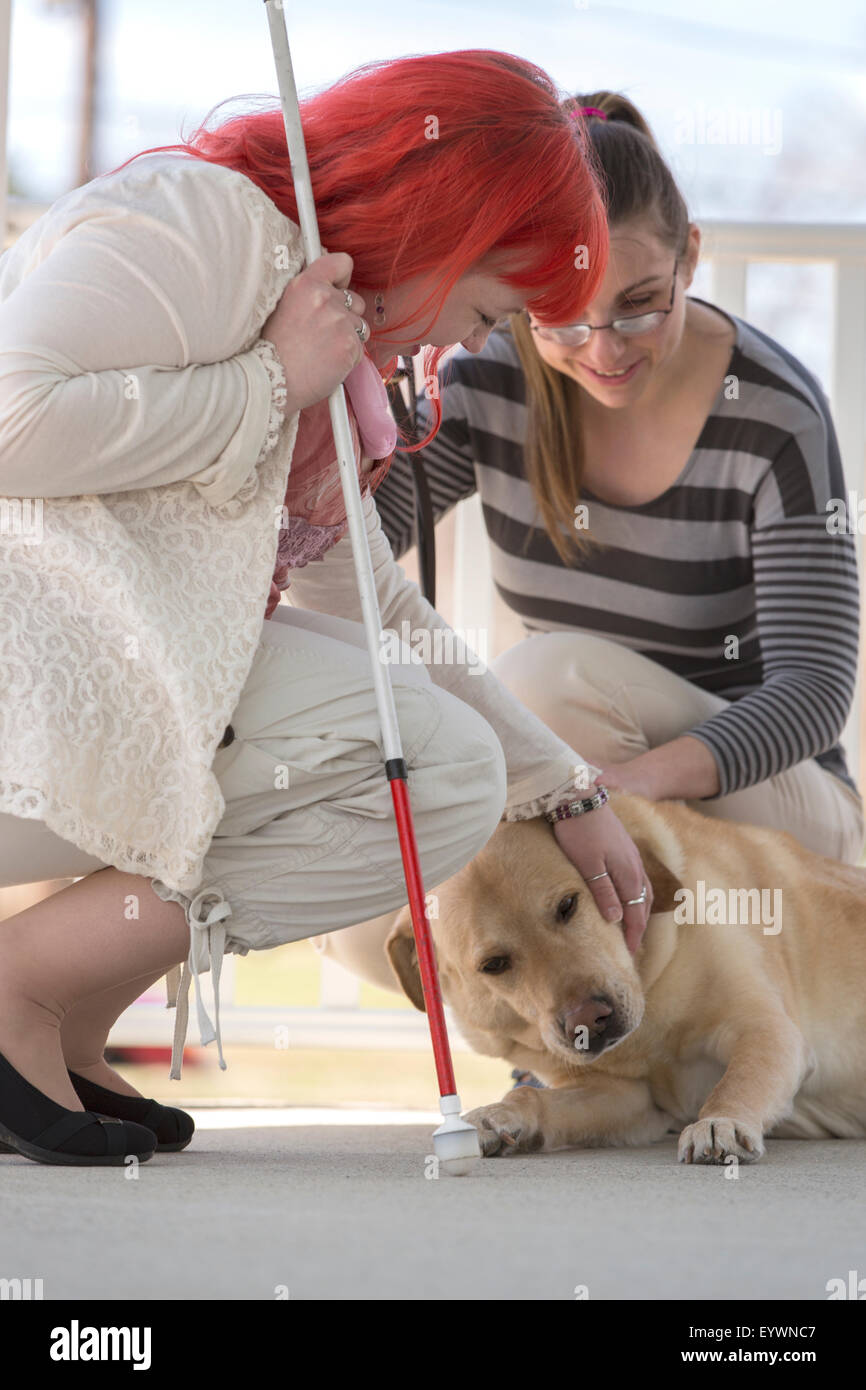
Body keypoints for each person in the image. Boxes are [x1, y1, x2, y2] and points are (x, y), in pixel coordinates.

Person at [0, 52, 653, 1166]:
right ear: (450, 227)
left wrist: (565, 782)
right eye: (492, 304)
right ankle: (16, 988)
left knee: (437, 761)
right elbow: (13, 419)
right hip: (34, 691)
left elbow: (373, 606)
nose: (471, 340)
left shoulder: (332, 352)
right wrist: (268, 382)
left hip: (106, 682)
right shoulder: (204, 223)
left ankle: (61, 1018)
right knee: (429, 758)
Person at [316, 88, 863, 995]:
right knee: (361, 905)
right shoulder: (490, 378)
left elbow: (813, 694)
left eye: (642, 305)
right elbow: (356, 546)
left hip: (771, 805)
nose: (603, 349)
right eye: (563, 315)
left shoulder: (773, 415)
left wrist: (611, 788)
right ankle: (590, 1039)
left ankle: (668, 1021)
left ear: (692, 255)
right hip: (583, 776)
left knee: (543, 684)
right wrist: (364, 383)